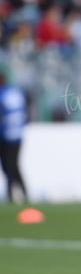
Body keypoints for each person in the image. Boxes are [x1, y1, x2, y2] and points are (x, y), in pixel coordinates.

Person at [0, 70, 28, 202]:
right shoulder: (16, 93)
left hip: (6, 134)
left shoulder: (3, 94)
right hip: (17, 134)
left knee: (9, 166)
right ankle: (23, 191)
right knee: (13, 165)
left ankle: (12, 193)